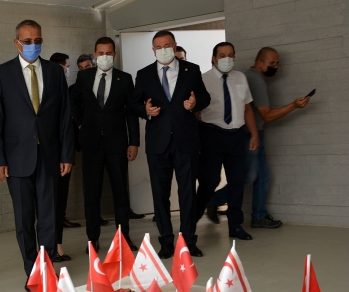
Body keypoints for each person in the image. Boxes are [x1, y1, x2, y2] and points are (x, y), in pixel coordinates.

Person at [0, 19, 74, 292]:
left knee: (49, 217)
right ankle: (32, 271)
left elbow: (65, 116)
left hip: (50, 156)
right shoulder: (2, 73)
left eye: (38, 41)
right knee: (24, 220)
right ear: (17, 43)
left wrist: (67, 154)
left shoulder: (54, 72)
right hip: (16, 158)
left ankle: (46, 270)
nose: (33, 45)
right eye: (27, 41)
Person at [208, 47, 311, 229]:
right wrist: (294, 105)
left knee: (262, 177)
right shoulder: (255, 80)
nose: (275, 66)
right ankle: (213, 199)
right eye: (272, 63)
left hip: (253, 134)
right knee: (249, 176)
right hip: (249, 135)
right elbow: (266, 115)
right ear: (260, 62)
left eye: (277, 63)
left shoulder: (245, 76)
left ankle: (259, 215)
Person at [131, 30, 211, 259]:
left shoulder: (191, 70)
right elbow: (134, 104)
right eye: (158, 47)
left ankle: (188, 241)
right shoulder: (144, 74)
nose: (163, 50)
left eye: (167, 46)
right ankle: (166, 242)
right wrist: (145, 110)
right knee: (160, 194)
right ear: (153, 50)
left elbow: (205, 97)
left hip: (186, 140)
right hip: (158, 143)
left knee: (187, 193)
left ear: (174, 46)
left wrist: (195, 104)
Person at [71, 37, 140, 253]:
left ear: (114, 55)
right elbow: (73, 101)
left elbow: (131, 113)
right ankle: (92, 239)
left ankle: (124, 239)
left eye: (109, 53)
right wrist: (80, 122)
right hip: (91, 144)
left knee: (120, 193)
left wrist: (134, 142)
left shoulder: (125, 79)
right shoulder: (84, 77)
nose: (105, 57)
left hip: (117, 144)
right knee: (92, 194)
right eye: (101, 53)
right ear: (95, 54)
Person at [194, 42, 259, 240]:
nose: (227, 59)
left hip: (237, 135)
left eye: (230, 55)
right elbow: (195, 111)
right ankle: (190, 222)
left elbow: (247, 107)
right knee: (209, 180)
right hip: (211, 134)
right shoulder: (202, 79)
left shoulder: (240, 77)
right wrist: (196, 140)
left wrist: (254, 133)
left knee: (237, 181)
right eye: (222, 55)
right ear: (213, 58)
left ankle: (235, 226)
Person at [49, 52, 79, 260]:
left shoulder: (64, 91)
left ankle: (57, 244)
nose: (67, 70)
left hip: (62, 156)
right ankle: (47, 245)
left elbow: (67, 125)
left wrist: (67, 155)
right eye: (67, 67)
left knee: (60, 201)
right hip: (43, 155)